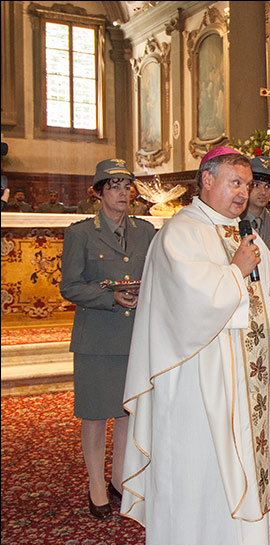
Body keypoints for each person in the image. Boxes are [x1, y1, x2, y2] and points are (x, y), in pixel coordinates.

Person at [120, 147, 270, 545]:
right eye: (236, 183)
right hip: (199, 387)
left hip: (248, 382)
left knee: (252, 468)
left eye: (248, 185)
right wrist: (236, 270)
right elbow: (191, 308)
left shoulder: (245, 235)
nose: (243, 193)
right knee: (205, 477)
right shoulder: (179, 233)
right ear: (207, 180)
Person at [59, 159, 156, 520]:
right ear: (98, 193)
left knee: (127, 410)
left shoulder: (146, 231)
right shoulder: (81, 233)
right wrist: (108, 297)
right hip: (97, 338)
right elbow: (70, 286)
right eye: (113, 186)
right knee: (96, 414)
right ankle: (95, 483)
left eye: (126, 186)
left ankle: (119, 477)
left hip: (133, 336)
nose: (122, 193)